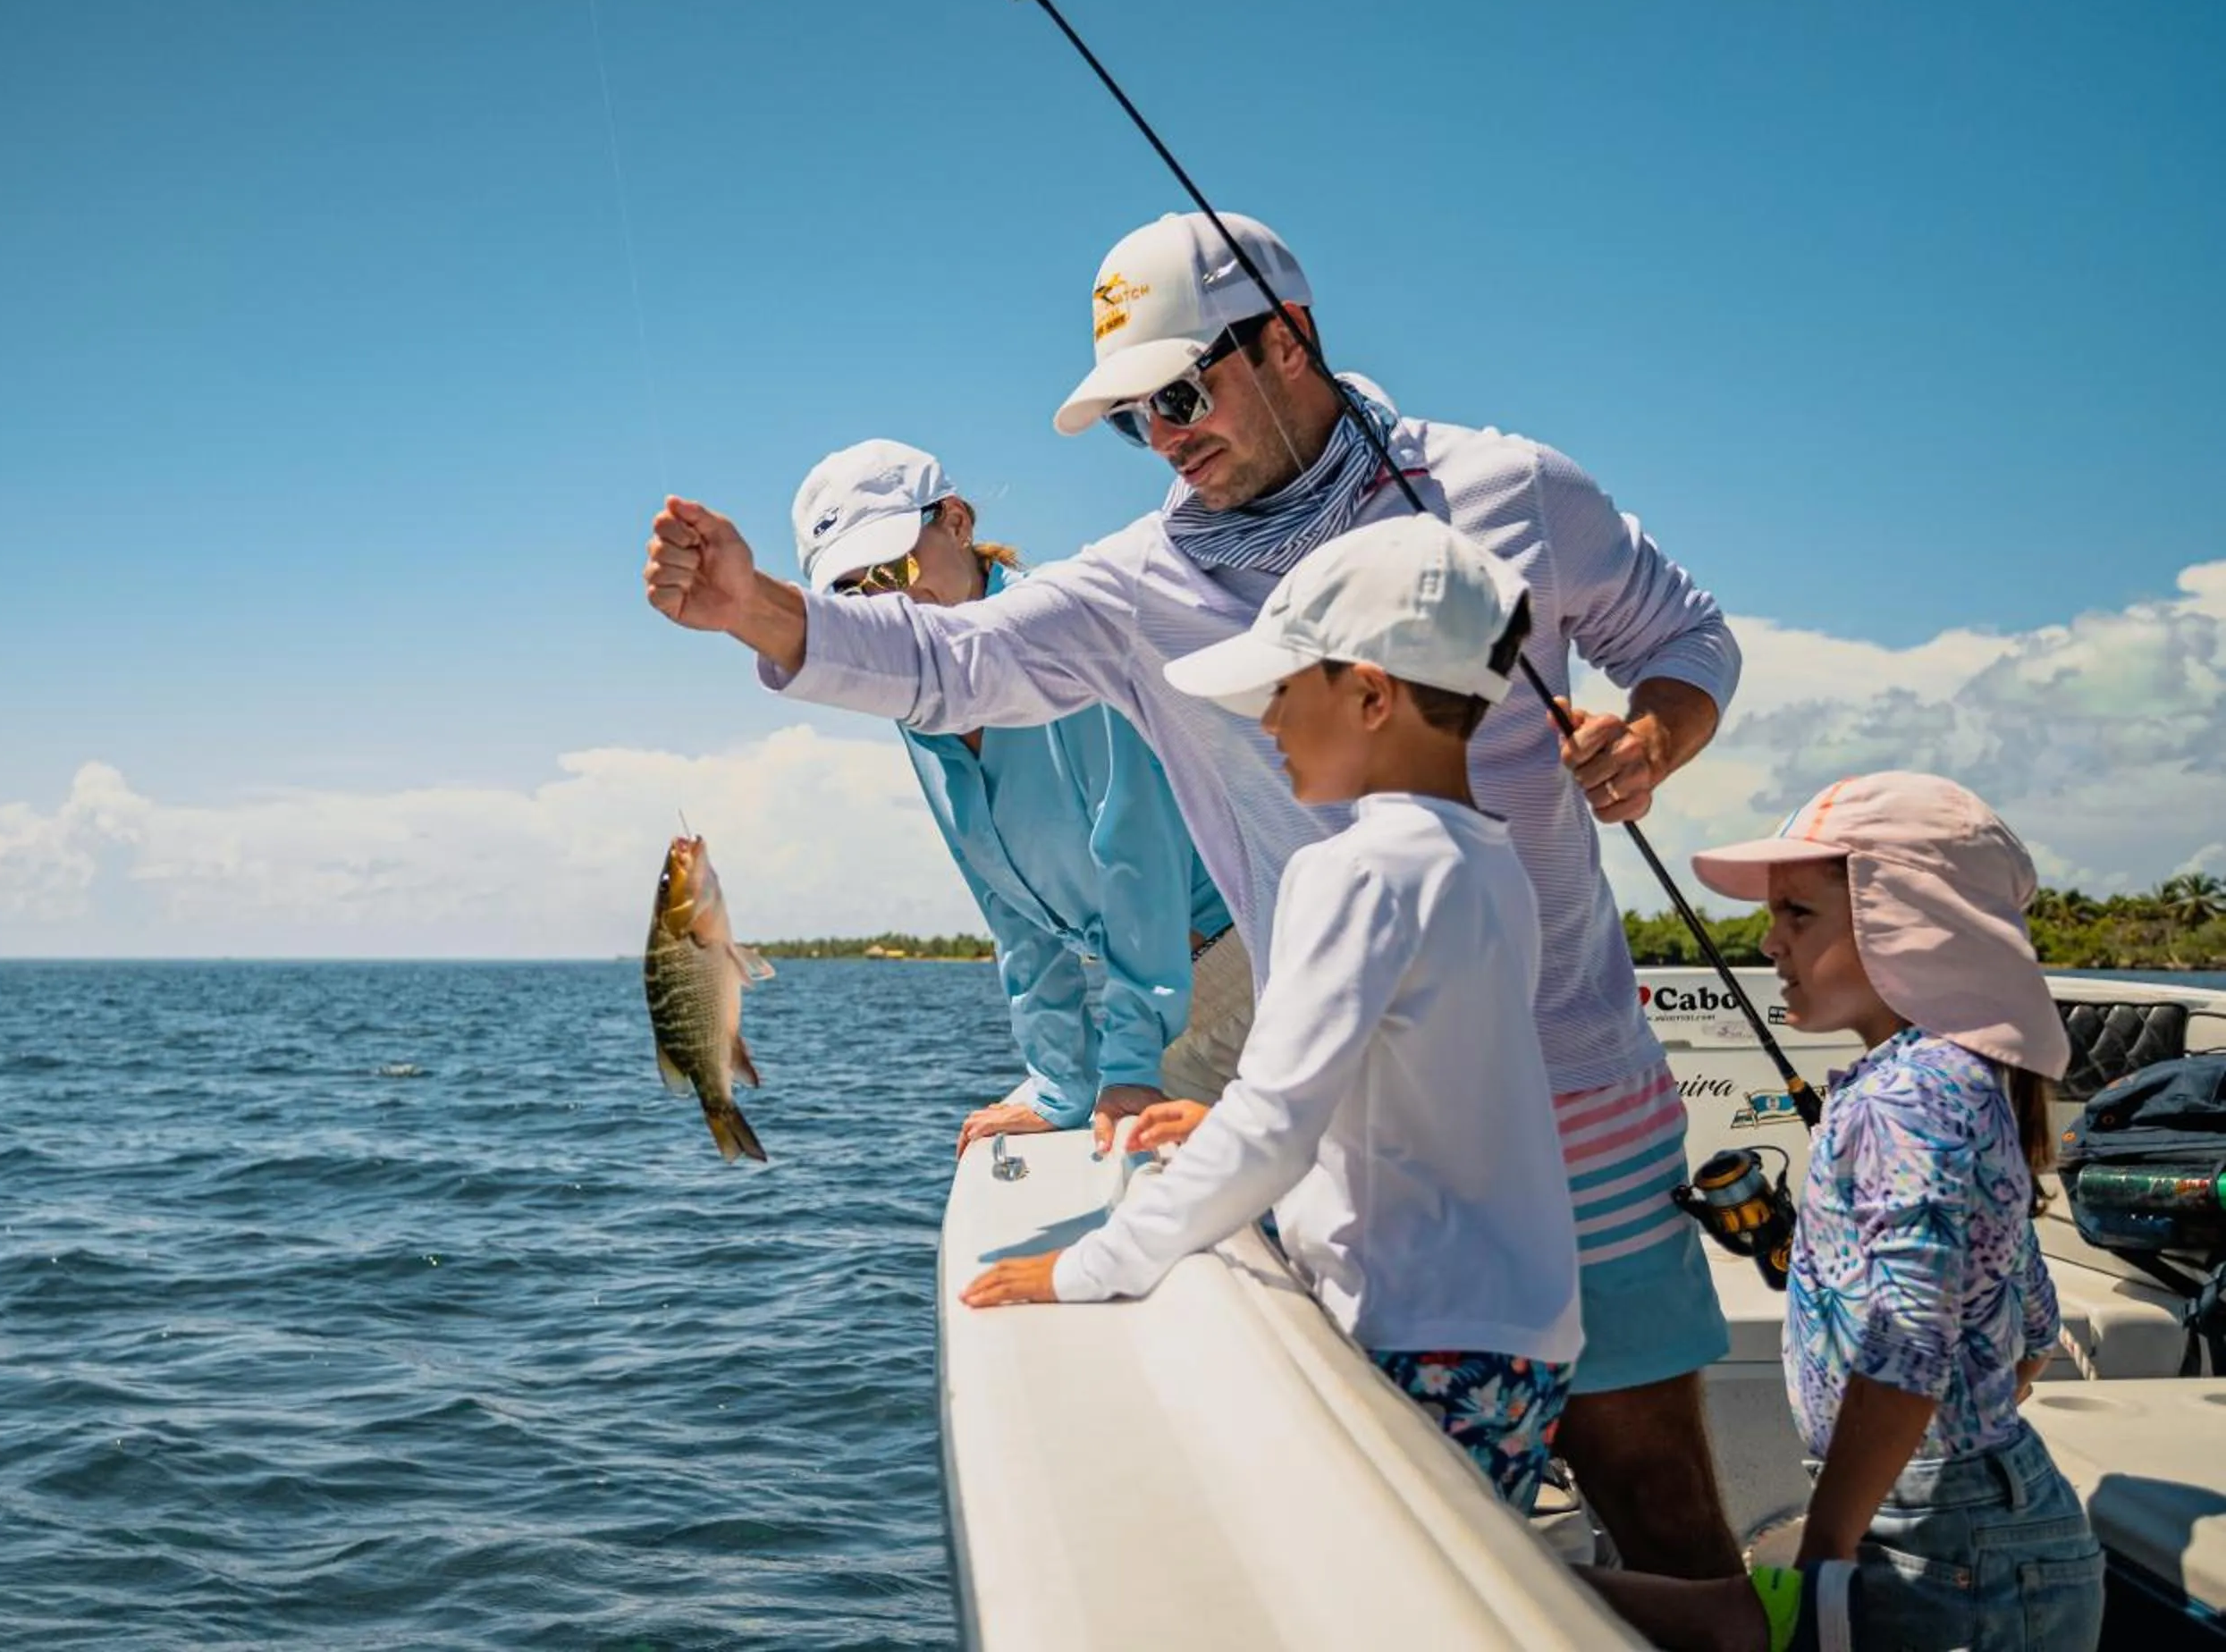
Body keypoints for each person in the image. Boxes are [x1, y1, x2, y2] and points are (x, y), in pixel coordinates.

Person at [645, 208, 1743, 1574]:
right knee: (1421, 1527)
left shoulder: (1512, 488)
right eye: (1131, 418)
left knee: (1660, 1502)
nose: (1163, 436)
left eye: (1180, 392)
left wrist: (1657, 736)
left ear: (1288, 342)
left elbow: (1684, 635)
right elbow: (954, 663)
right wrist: (760, 610)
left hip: (1580, 1088)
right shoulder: (1140, 585)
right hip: (1346, 1136)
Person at [961, 518, 1584, 1510]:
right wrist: (1226, 1122)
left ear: (1372, 695)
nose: (1265, 723)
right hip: (1522, 1339)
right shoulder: (1488, 862)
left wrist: (1093, 1263)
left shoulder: (1354, 869)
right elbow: (1416, 1090)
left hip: (1423, 1335)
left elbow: (1272, 1122)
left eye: (1282, 692)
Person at [1585, 773, 2103, 1652]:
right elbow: (2029, 1330)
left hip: (1940, 1547)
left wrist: (1827, 1546)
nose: (1767, 939)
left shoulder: (1902, 1100)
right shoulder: (1965, 1083)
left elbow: (1908, 1343)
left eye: (1799, 913)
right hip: (1991, 1526)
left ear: (1909, 927)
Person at [788, 438, 1251, 1150]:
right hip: (1160, 1005)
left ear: (957, 522)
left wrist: (1126, 1066)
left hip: (1239, 979)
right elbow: (1009, 907)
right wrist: (1061, 1082)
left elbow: (1139, 867)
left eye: (895, 567)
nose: (889, 604)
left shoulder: (1063, 631)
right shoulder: (914, 698)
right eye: (854, 592)